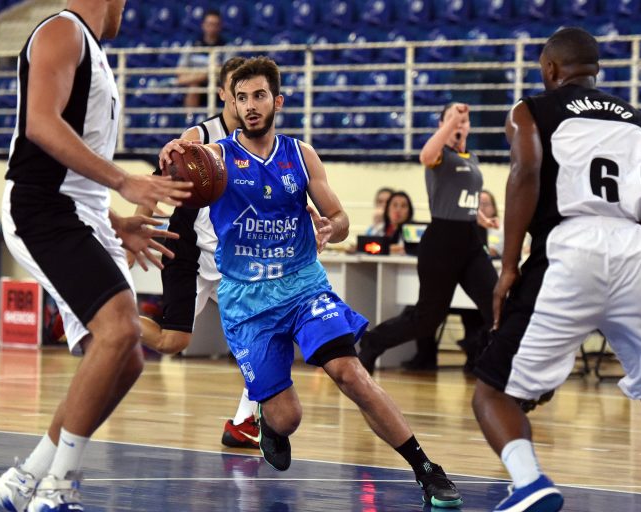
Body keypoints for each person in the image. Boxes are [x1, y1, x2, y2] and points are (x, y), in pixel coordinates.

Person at [159, 56, 463, 508]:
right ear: (232, 104)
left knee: (349, 372)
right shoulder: (216, 158)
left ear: (277, 101)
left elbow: (339, 218)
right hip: (247, 301)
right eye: (241, 98)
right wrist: (172, 153)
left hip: (302, 286)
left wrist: (330, 227)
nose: (250, 105)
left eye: (259, 95)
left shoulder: (301, 155)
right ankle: (270, 421)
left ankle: (426, 469)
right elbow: (174, 168)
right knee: (288, 417)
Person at [0, 2, 191, 511]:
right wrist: (124, 181)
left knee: (127, 359)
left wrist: (114, 221)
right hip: (42, 207)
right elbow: (40, 124)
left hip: (80, 212)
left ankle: (26, 478)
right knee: (120, 329)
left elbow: (77, 166)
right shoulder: (63, 31)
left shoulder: (91, 47)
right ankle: (57, 489)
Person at [472, 27, 641, 512]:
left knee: (493, 393)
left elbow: (525, 172)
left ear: (550, 68)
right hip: (634, 249)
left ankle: (529, 483)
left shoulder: (530, 110)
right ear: (594, 69)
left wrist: (508, 267)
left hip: (571, 248)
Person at [133, 56, 262, 450]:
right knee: (172, 342)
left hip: (233, 257)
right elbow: (160, 181)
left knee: (263, 338)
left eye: (251, 92)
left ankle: (243, 423)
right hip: (188, 249)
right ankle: (104, 317)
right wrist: (137, 225)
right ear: (224, 93)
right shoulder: (198, 134)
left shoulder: (261, 140)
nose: (243, 98)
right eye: (236, 89)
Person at [358, 102, 498, 374]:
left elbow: (463, 196)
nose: (459, 124)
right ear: (442, 125)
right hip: (442, 242)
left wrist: (481, 216)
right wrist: (452, 122)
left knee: (496, 304)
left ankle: (490, 360)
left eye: (463, 120)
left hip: (471, 238)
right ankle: (374, 341)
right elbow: (424, 156)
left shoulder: (472, 157)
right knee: (427, 320)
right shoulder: (439, 155)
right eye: (451, 119)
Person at [176, 9, 226, 108]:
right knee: (194, 87)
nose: (212, 28)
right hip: (193, 84)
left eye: (215, 24)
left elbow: (226, 72)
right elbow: (180, 71)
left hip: (216, 85)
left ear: (220, 26)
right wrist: (208, 73)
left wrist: (202, 75)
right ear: (203, 25)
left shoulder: (226, 46)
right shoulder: (192, 44)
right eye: (209, 24)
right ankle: (190, 117)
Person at [373, 191, 415, 255]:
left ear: (409, 211)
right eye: (395, 205)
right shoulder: (379, 229)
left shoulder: (413, 230)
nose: (398, 210)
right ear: (387, 209)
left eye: (403, 206)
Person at [478, 189, 503, 258]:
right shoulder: (471, 226)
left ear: (494, 208)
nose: (481, 208)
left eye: (485, 204)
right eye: (479, 204)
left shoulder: (500, 228)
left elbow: (492, 252)